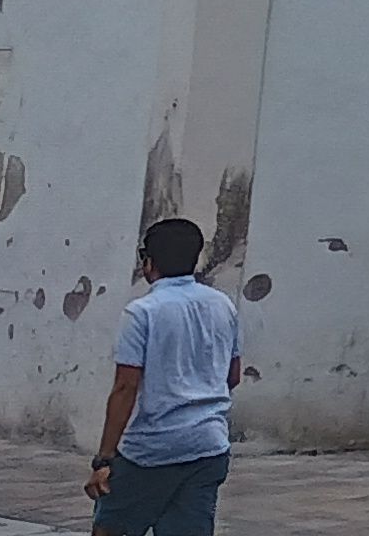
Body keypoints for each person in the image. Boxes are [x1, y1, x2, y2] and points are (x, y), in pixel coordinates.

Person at [85, 217, 239, 536]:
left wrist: (104, 458)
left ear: (148, 263)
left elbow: (126, 387)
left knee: (111, 529)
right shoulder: (223, 305)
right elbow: (232, 375)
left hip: (152, 450)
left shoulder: (142, 312)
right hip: (208, 446)